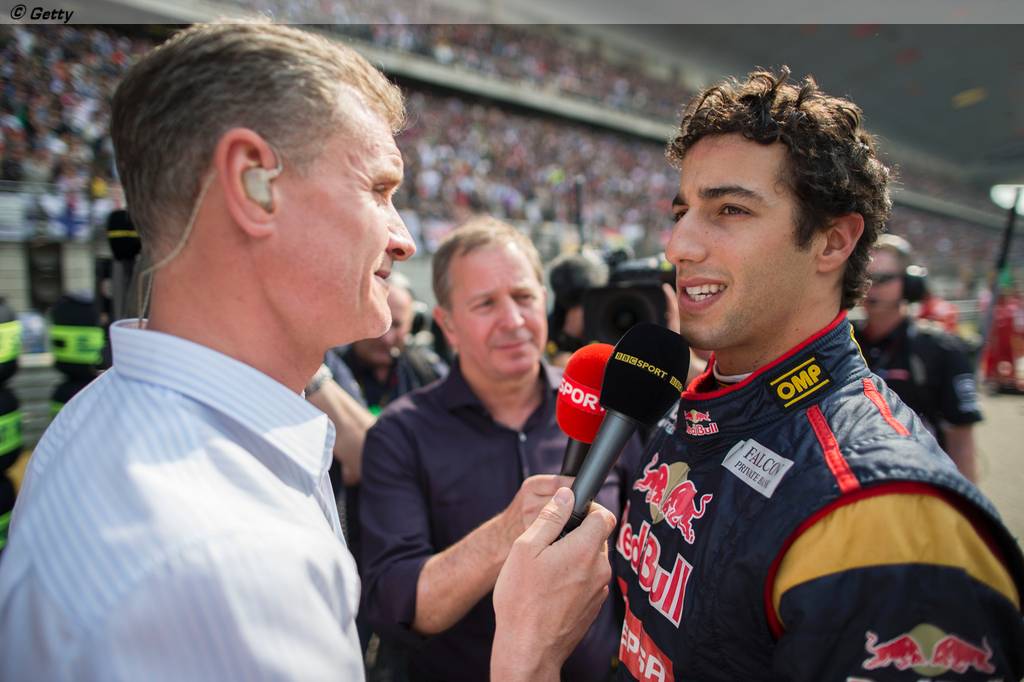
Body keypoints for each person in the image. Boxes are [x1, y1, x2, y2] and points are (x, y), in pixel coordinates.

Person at [0, 23, 614, 681]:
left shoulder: (98, 426)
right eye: (378, 190)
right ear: (252, 183)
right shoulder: (219, 559)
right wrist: (529, 657)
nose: (404, 238)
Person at [608, 68, 1024, 680]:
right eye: (683, 210)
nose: (678, 246)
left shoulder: (890, 515)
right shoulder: (691, 409)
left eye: (730, 209)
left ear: (833, 243)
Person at [359, 217, 643, 681]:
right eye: (486, 304)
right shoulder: (400, 434)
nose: (513, 321)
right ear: (448, 325)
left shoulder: (607, 409)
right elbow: (396, 605)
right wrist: (507, 531)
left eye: (524, 297)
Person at [855, 234, 983, 482]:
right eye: (864, 278)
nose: (870, 287)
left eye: (882, 279)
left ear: (910, 284)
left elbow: (961, 441)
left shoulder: (941, 348)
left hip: (921, 483)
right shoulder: (841, 342)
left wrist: (964, 500)